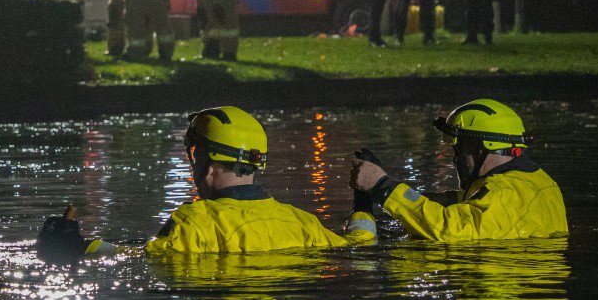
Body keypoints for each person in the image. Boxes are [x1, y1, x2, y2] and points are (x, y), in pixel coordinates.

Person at [37, 106, 376, 260]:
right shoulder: (304, 223)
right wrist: (363, 201)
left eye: (195, 158)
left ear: (210, 167)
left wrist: (76, 246)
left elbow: (137, 260)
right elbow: (361, 244)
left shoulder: (193, 222)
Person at [348, 98, 567, 241]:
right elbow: (462, 204)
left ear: (481, 147)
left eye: (459, 148)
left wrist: (383, 186)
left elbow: (447, 229)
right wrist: (383, 189)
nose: (455, 158)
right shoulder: (537, 182)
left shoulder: (503, 194)